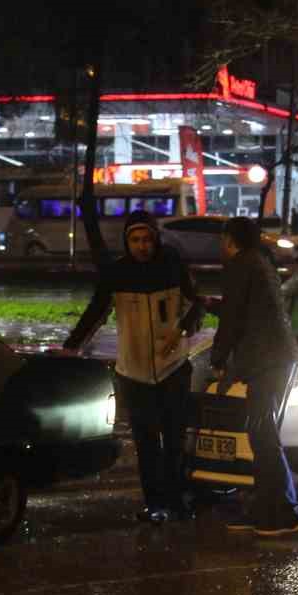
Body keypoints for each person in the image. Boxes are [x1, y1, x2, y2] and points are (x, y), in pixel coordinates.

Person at [64, 209, 204, 522]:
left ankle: (177, 500)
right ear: (127, 243)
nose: (142, 246)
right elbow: (95, 312)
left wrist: (181, 331)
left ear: (156, 240)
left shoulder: (173, 267)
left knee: (174, 440)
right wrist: (71, 346)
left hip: (174, 368)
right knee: (146, 443)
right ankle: (154, 504)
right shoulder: (117, 274)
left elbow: (197, 304)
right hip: (134, 372)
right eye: (135, 240)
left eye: (147, 240)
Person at [209, 216, 298, 537]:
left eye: (222, 239)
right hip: (275, 359)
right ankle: (265, 510)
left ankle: (288, 513)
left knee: (263, 434)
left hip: (270, 361)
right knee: (260, 433)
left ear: (229, 239)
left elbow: (235, 317)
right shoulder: (259, 262)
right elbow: (246, 310)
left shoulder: (240, 264)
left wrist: (218, 358)